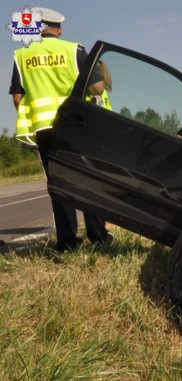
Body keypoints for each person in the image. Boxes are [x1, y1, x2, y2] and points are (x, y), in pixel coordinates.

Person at [9, 7, 112, 252]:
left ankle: (67, 243)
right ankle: (98, 237)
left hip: (46, 129)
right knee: (88, 179)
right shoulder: (74, 50)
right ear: (59, 28)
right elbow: (97, 89)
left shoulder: (22, 55)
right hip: (77, 126)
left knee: (59, 183)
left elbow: (17, 98)